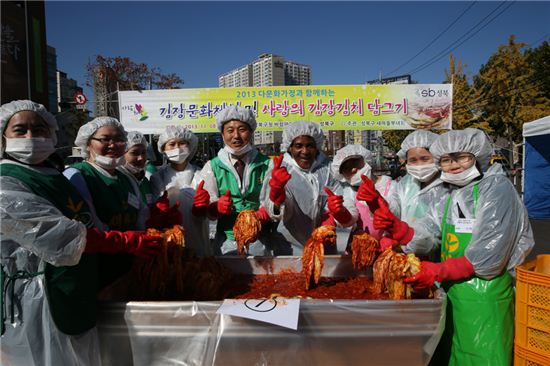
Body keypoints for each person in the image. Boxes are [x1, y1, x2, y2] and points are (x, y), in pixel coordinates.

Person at [0, 100, 161, 365]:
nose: (32, 137)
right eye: (21, 130)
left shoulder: (52, 175)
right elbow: (56, 235)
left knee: (81, 355)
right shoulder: (7, 181)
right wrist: (120, 240)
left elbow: (84, 218)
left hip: (75, 283)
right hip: (39, 293)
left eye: (40, 129)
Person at [374, 128, 534, 365]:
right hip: (452, 292)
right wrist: (401, 231)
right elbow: (430, 232)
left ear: (477, 156)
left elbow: (489, 257)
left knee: (481, 355)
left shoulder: (496, 189)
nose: (454, 165)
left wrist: (438, 271)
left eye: (461, 157)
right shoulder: (452, 193)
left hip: (484, 297)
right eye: (446, 160)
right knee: (452, 354)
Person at [64, 117, 179, 288]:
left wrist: (159, 221)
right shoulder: (78, 176)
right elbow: (84, 230)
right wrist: (125, 242)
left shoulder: (126, 179)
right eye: (105, 139)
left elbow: (141, 221)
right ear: (88, 143)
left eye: (119, 140)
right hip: (94, 271)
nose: (113, 145)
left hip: (128, 268)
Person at [263, 121, 356, 255]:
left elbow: (343, 199)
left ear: (317, 147)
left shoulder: (328, 169)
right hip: (289, 248)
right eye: (298, 146)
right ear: (290, 148)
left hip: (324, 245)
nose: (305, 151)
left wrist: (336, 213)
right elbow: (275, 214)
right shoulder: (279, 170)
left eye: (310, 146)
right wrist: (277, 193)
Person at [192, 105, 272, 255]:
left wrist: (266, 211)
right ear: (222, 135)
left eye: (242, 129)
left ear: (251, 132)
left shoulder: (267, 164)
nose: (236, 136)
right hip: (226, 242)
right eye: (230, 130)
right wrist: (214, 207)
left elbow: (275, 202)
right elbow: (203, 207)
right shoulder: (212, 166)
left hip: (260, 240)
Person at [150, 125, 210, 256]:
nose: (177, 148)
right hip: (169, 240)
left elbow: (210, 210)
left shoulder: (201, 175)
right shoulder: (157, 178)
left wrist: (203, 208)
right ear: (163, 149)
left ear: (190, 147)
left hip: (198, 237)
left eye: (182, 143)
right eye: (171, 144)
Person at [331, 144, 391, 241]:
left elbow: (396, 213)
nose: (353, 169)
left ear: (366, 160)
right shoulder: (349, 191)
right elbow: (351, 215)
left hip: (389, 248)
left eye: (356, 163)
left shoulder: (390, 186)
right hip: (360, 248)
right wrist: (341, 213)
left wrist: (378, 203)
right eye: (347, 168)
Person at [118, 131, 154, 208]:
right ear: (121, 154)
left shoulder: (144, 181)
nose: (141, 158)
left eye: (143, 152)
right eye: (134, 153)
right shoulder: (118, 181)